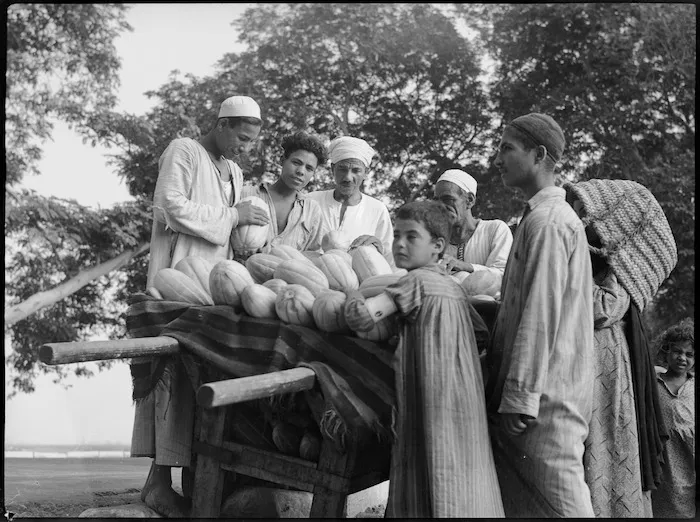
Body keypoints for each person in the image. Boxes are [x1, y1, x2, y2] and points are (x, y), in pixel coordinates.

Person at [134, 95, 268, 517]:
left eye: (251, 142)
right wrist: (233, 215)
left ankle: (189, 483)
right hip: (175, 278)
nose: (244, 148)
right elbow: (169, 207)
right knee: (168, 373)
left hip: (211, 288)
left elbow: (231, 229)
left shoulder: (234, 170)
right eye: (240, 138)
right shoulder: (184, 150)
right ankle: (156, 484)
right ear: (222, 123)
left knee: (198, 377)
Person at [344, 200, 505, 518]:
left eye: (411, 237)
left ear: (438, 246)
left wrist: (350, 295)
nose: (400, 244)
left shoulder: (412, 282)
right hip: (463, 402)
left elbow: (364, 320)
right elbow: (480, 333)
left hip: (429, 402)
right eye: (397, 235)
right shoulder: (453, 287)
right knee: (463, 481)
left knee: (426, 478)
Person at [485, 112, 595, 517]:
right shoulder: (538, 217)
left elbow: (540, 314)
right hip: (540, 396)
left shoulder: (548, 222)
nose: (497, 159)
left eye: (507, 148)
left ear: (539, 154)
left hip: (545, 403)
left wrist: (520, 397)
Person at [565, 178, 676, 517]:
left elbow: (603, 309)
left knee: (606, 446)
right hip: (585, 356)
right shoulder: (591, 261)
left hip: (605, 364)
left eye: (587, 213)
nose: (581, 218)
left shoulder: (617, 271)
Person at [305, 136, 394, 266]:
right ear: (332, 169)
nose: (348, 177)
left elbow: (389, 258)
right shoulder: (311, 201)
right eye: (342, 169)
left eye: (356, 170)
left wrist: (377, 248)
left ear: (366, 172)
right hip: (309, 279)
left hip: (359, 285)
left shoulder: (377, 209)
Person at [238, 131, 329, 257]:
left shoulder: (312, 211)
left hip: (287, 276)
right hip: (240, 274)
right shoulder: (246, 194)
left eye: (309, 168)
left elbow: (312, 256)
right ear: (282, 160)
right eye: (296, 163)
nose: (301, 171)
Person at [433, 168, 512, 278]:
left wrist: (467, 266)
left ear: (470, 200)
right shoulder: (435, 239)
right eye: (436, 200)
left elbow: (504, 275)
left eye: (448, 199)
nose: (441, 206)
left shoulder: (495, 229)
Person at [652, 318, 695, 518]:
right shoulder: (653, 384)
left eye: (689, 354)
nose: (682, 358)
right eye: (677, 351)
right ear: (666, 350)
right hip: (661, 469)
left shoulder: (693, 387)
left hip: (690, 467)